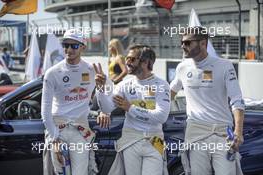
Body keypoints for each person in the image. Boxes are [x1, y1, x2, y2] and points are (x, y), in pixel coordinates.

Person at [170, 26, 245, 175]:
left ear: (203, 43)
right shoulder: (182, 67)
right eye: (182, 42)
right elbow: (169, 94)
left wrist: (238, 131)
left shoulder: (225, 66)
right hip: (196, 132)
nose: (183, 46)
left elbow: (237, 100)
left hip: (222, 133)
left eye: (187, 43)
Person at [95, 44, 170, 175]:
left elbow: (161, 117)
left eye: (132, 59)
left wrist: (130, 108)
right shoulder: (125, 85)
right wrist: (101, 89)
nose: (127, 62)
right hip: (131, 139)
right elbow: (107, 108)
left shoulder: (161, 84)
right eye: (127, 58)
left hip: (155, 140)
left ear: (146, 62)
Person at [41, 28, 97, 175]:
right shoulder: (52, 72)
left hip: (81, 130)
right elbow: (45, 111)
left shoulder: (92, 70)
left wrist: (103, 91)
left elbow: (106, 101)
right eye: (65, 45)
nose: (69, 49)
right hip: (58, 129)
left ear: (83, 47)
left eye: (74, 45)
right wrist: (55, 139)